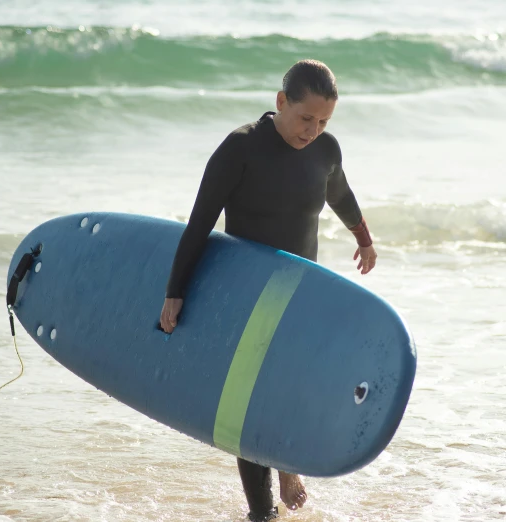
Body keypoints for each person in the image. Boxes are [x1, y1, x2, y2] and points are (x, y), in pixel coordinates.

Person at [158, 59, 377, 522]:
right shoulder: (240, 149)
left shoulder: (325, 150)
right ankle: (262, 513)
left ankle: (287, 466)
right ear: (281, 102)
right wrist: (175, 291)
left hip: (301, 292)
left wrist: (363, 237)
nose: (313, 130)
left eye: (323, 122)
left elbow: (339, 193)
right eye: (305, 118)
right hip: (249, 294)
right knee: (250, 404)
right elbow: (199, 224)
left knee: (294, 389)